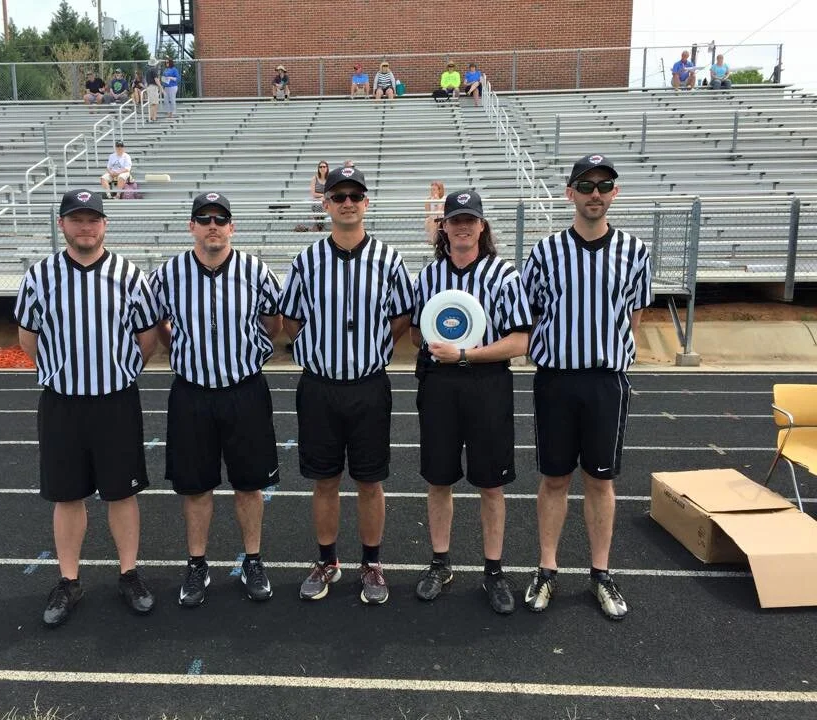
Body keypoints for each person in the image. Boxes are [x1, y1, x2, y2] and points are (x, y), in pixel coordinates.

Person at [14, 189, 160, 628]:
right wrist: (60, 370)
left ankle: (129, 573)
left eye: (93, 219)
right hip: (63, 403)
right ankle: (68, 579)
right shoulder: (39, 276)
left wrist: (122, 369)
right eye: (77, 219)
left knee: (122, 492)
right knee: (67, 493)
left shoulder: (129, 275)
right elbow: (28, 338)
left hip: (115, 399)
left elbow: (146, 336)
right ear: (62, 225)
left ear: (104, 224)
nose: (86, 227)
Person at [520, 154, 653, 621]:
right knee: (554, 477)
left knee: (601, 480)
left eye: (604, 185)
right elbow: (533, 315)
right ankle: (547, 568)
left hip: (605, 380)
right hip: (556, 378)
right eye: (586, 185)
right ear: (569, 192)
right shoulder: (545, 251)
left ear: (614, 193)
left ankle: (600, 572)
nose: (595, 193)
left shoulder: (635, 251)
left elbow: (633, 318)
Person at [279, 166, 415, 605]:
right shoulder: (306, 261)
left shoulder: (389, 259)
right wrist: (325, 351)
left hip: (368, 385)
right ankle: (327, 560)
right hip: (319, 385)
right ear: (326, 204)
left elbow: (400, 318)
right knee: (324, 479)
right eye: (339, 196)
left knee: (370, 481)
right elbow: (292, 321)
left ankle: (372, 564)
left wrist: (369, 349)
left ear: (366, 203)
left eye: (356, 195)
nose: (348, 202)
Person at [150, 191, 283, 607]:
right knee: (196, 487)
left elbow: (273, 322)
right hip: (192, 393)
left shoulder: (255, 269)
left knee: (250, 484)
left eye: (220, 219)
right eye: (204, 218)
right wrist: (184, 350)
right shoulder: (169, 273)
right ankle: (197, 564)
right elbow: (156, 323)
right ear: (191, 226)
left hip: (244, 390)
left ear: (232, 227)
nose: (212, 225)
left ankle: (253, 560)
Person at [410, 189, 532, 613]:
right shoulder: (427, 277)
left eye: (470, 219)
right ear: (443, 226)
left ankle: (493, 571)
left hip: (486, 384)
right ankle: (440, 563)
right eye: (454, 219)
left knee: (491, 483)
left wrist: (466, 354)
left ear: (482, 226)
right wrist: (442, 354)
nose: (462, 226)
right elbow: (416, 333)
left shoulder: (504, 275)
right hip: (440, 385)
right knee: (438, 479)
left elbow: (520, 341)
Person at [309, 160, 329, 231]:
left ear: (327, 168)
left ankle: (318, 226)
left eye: (324, 167)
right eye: (320, 167)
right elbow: (313, 193)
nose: (322, 168)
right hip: (316, 200)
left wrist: (324, 197)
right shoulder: (314, 178)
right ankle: (320, 226)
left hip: (326, 200)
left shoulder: (329, 179)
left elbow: (330, 192)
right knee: (319, 204)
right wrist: (322, 196)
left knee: (323, 203)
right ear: (318, 169)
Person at [143, 57, 162, 121]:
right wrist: (160, 86)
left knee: (154, 103)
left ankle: (153, 117)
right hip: (153, 87)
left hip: (149, 87)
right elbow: (156, 80)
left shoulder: (148, 71)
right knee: (154, 103)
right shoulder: (153, 70)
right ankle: (152, 117)